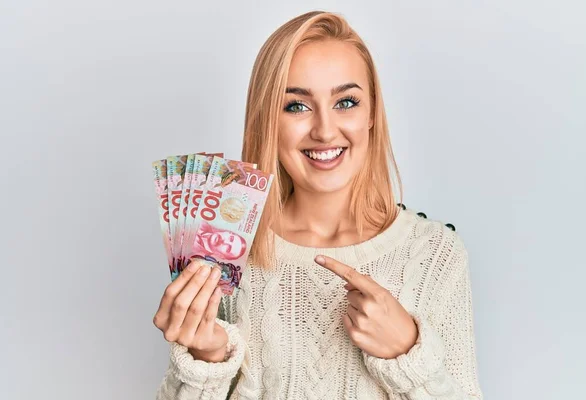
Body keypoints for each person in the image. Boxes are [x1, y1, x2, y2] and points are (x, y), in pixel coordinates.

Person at [153, 11, 483, 400]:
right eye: (296, 106)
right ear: (267, 120)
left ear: (372, 113)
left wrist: (406, 354)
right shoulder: (225, 252)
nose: (325, 130)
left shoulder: (435, 254)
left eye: (346, 101)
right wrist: (205, 359)